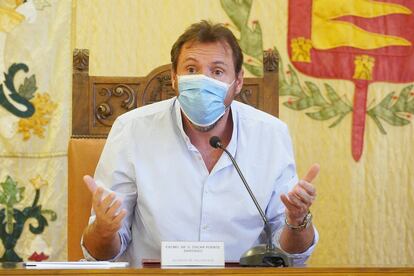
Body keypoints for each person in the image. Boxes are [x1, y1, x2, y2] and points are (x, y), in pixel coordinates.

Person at [81, 20, 319, 267]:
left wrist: (298, 220)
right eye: (192, 70)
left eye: (217, 72)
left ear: (238, 81)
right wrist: (104, 230)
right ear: (174, 78)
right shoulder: (131, 131)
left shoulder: (270, 135)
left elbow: (292, 255)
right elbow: (99, 255)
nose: (203, 81)